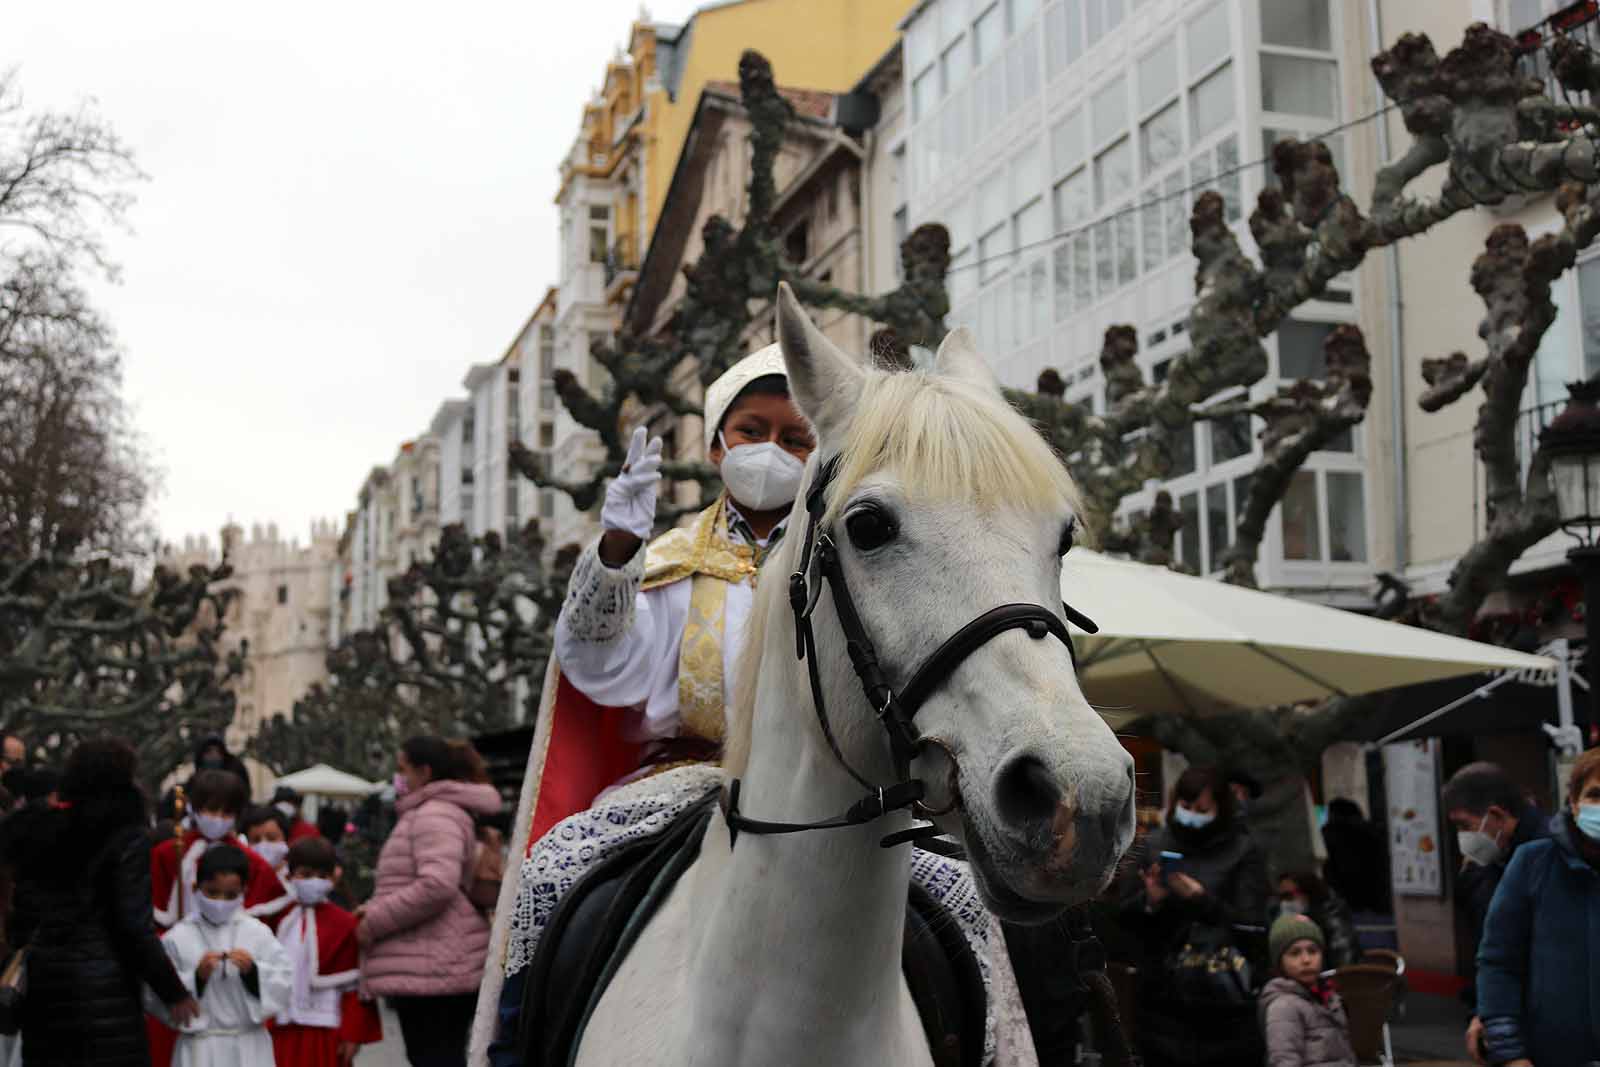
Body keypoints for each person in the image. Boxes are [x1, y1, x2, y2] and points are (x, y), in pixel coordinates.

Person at [522, 343, 813, 842]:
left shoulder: (848, 558)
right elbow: (598, 663)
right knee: (558, 869)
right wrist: (619, 548)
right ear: (717, 446)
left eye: (794, 439)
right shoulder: (672, 563)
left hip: (822, 790)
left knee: (952, 890)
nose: (771, 450)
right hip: (680, 791)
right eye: (751, 431)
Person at [0, 737, 199, 1066]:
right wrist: (172, 990)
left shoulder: (39, 828)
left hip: (45, 986)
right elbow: (133, 925)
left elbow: (22, 911)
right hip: (107, 990)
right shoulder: (125, 835)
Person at [360, 736, 500, 1067]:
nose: (399, 778)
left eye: (403, 769)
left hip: (436, 966)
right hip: (435, 962)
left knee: (435, 1057)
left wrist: (374, 921)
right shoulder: (435, 812)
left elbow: (437, 884)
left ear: (424, 772)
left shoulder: (434, 814)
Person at [1121, 765, 1270, 1067]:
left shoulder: (1243, 850)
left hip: (1226, 1000)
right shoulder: (1154, 845)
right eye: (1185, 807)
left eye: (1202, 809)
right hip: (1163, 999)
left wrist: (1202, 900)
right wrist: (1150, 901)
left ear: (1220, 808)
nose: (1191, 814)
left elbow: (1253, 925)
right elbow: (1123, 917)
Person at [1474, 747, 1600, 1067]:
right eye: (1595, 795)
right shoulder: (1533, 863)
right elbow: (1499, 962)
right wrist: (1511, 1054)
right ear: (1573, 803)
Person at [1441, 761, 1550, 1044]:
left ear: (1496, 816)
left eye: (1465, 826)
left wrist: (1493, 1014)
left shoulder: (1547, 857)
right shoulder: (1491, 861)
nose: (1463, 838)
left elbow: (1525, 951)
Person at [154, 845, 292, 1067]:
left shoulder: (257, 933)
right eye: (212, 892)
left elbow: (285, 982)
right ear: (195, 887)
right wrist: (196, 978)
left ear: (244, 892)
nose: (220, 901)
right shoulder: (177, 938)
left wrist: (253, 973)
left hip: (249, 1046)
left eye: (230, 895)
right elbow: (156, 995)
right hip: (199, 1047)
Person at [270, 837, 383, 1067]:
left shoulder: (345, 924)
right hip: (280, 1027)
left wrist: (352, 1034)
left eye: (322, 876)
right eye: (305, 873)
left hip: (326, 1030)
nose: (314, 881)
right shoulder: (276, 917)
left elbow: (356, 987)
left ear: (333, 878)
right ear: (290, 875)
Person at [151, 770, 290, 930]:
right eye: (211, 809)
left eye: (227, 813)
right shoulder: (167, 853)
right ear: (195, 808)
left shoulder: (253, 862)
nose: (218, 818)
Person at [1259, 913, 1357, 1067]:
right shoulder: (1283, 1007)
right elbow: (1284, 1061)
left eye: (1313, 951)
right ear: (1280, 962)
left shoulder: (1331, 998)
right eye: (1294, 953)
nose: (1306, 960)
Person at [1320, 798, 1390, 915]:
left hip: (1347, 898)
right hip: (1377, 896)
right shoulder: (1372, 831)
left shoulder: (1329, 834)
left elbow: (1329, 867)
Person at [1275, 871, 1359, 969]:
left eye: (1288, 895)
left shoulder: (1333, 918)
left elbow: (1344, 966)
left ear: (1308, 893)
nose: (1284, 902)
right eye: (1280, 897)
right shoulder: (1282, 920)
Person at [184, 735, 251, 793]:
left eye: (218, 752)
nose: (214, 756)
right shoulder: (196, 780)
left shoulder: (234, 775)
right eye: (209, 752)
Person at [240, 805, 291, 880]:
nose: (263, 845)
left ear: (286, 839)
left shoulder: (295, 878)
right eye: (256, 840)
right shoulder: (244, 880)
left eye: (272, 838)